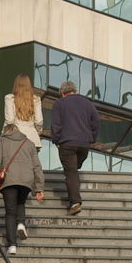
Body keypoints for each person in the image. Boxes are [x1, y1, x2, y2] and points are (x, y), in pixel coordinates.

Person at [0, 122, 44, 255]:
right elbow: (37, 166)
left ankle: (12, 244)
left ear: (5, 131)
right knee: (21, 202)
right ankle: (21, 224)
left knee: (10, 212)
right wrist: (39, 188)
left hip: (9, 179)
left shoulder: (1, 140)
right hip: (26, 179)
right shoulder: (28, 142)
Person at [48, 80, 100, 215]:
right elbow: (96, 121)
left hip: (67, 143)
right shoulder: (87, 103)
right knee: (74, 169)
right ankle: (73, 187)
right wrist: (92, 137)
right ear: (75, 91)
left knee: (71, 172)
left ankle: (75, 202)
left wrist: (56, 140)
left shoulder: (59, 103)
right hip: (83, 144)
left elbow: (56, 124)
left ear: (62, 94)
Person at [3, 74, 44, 148]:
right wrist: (36, 132)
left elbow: (9, 120)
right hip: (32, 139)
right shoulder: (36, 100)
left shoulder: (9, 98)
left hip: (14, 139)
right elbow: (39, 121)